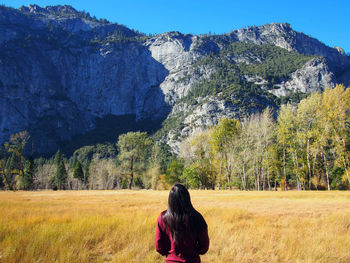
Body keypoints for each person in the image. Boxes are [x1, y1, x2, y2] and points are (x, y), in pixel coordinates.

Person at [155, 184, 209, 263]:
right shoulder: (197, 217)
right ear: (187, 198)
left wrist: (170, 254)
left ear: (170, 199)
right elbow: (204, 246)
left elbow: (159, 246)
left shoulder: (163, 218)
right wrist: (193, 253)